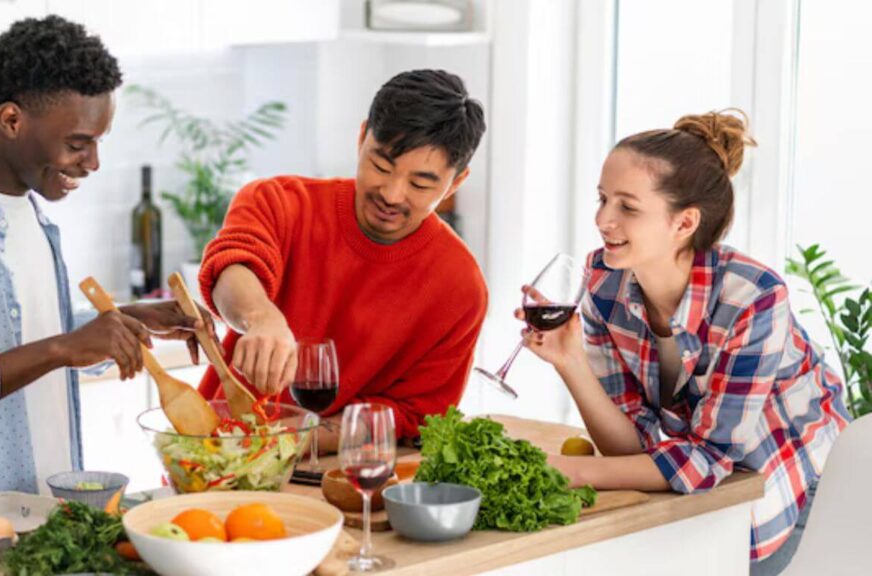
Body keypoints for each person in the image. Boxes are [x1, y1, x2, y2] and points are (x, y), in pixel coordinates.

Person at [0, 15, 210, 542]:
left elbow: (11, 330)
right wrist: (61, 349)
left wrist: (122, 318)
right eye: (77, 143)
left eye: (98, 141)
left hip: (40, 535)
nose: (92, 162)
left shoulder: (31, 212)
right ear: (10, 120)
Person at [521, 109, 850, 573]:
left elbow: (708, 460)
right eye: (602, 199)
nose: (603, 219)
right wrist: (569, 361)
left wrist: (571, 470)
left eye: (627, 207)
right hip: (713, 484)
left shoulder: (752, 298)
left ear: (684, 223)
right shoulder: (603, 282)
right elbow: (631, 449)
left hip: (799, 483)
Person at [196, 69, 488, 444]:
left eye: (420, 183)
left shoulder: (460, 287)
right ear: (362, 137)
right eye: (381, 166)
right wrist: (260, 316)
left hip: (341, 474)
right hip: (217, 455)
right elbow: (232, 264)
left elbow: (415, 412)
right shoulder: (279, 201)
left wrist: (289, 440)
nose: (393, 194)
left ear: (457, 181)